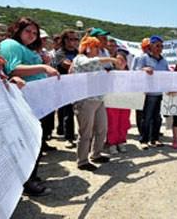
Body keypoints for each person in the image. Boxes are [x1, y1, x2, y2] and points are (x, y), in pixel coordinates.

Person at [0, 17, 60, 196]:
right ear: (17, 29)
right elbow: (13, 68)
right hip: (25, 101)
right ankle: (27, 182)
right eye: (28, 31)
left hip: (36, 101)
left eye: (35, 33)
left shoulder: (27, 49)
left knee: (36, 140)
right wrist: (42, 67)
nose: (32, 36)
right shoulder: (10, 44)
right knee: (27, 142)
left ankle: (31, 176)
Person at [71, 36, 120, 171]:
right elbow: (90, 63)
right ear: (88, 47)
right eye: (95, 47)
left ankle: (96, 153)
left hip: (98, 99)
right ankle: (82, 160)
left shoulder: (93, 61)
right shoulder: (80, 58)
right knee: (86, 132)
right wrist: (111, 59)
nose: (98, 50)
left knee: (102, 128)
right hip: (85, 100)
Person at [138, 35, 169, 150]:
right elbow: (135, 72)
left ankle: (154, 139)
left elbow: (167, 75)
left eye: (161, 46)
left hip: (160, 93)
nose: (159, 48)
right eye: (157, 46)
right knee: (147, 117)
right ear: (151, 46)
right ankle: (143, 140)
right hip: (148, 94)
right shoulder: (144, 58)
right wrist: (143, 69)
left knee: (157, 118)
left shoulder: (164, 61)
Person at [54, 29, 79, 148]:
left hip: (77, 85)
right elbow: (66, 65)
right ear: (64, 40)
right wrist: (84, 65)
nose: (73, 42)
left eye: (76, 39)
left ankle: (62, 130)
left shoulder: (79, 53)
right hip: (64, 86)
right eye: (70, 39)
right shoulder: (60, 53)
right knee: (67, 111)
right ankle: (69, 137)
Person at [106, 52, 131, 155]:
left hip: (125, 101)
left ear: (126, 62)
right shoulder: (109, 73)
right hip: (112, 101)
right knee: (113, 122)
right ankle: (112, 143)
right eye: (118, 60)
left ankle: (121, 141)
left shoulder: (131, 74)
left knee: (123, 122)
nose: (120, 62)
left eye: (122, 60)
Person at [132, 38, 150, 138]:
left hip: (150, 88)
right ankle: (141, 131)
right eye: (146, 46)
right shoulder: (137, 57)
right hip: (139, 88)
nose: (148, 48)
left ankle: (149, 130)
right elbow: (133, 71)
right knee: (140, 112)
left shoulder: (152, 57)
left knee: (149, 111)